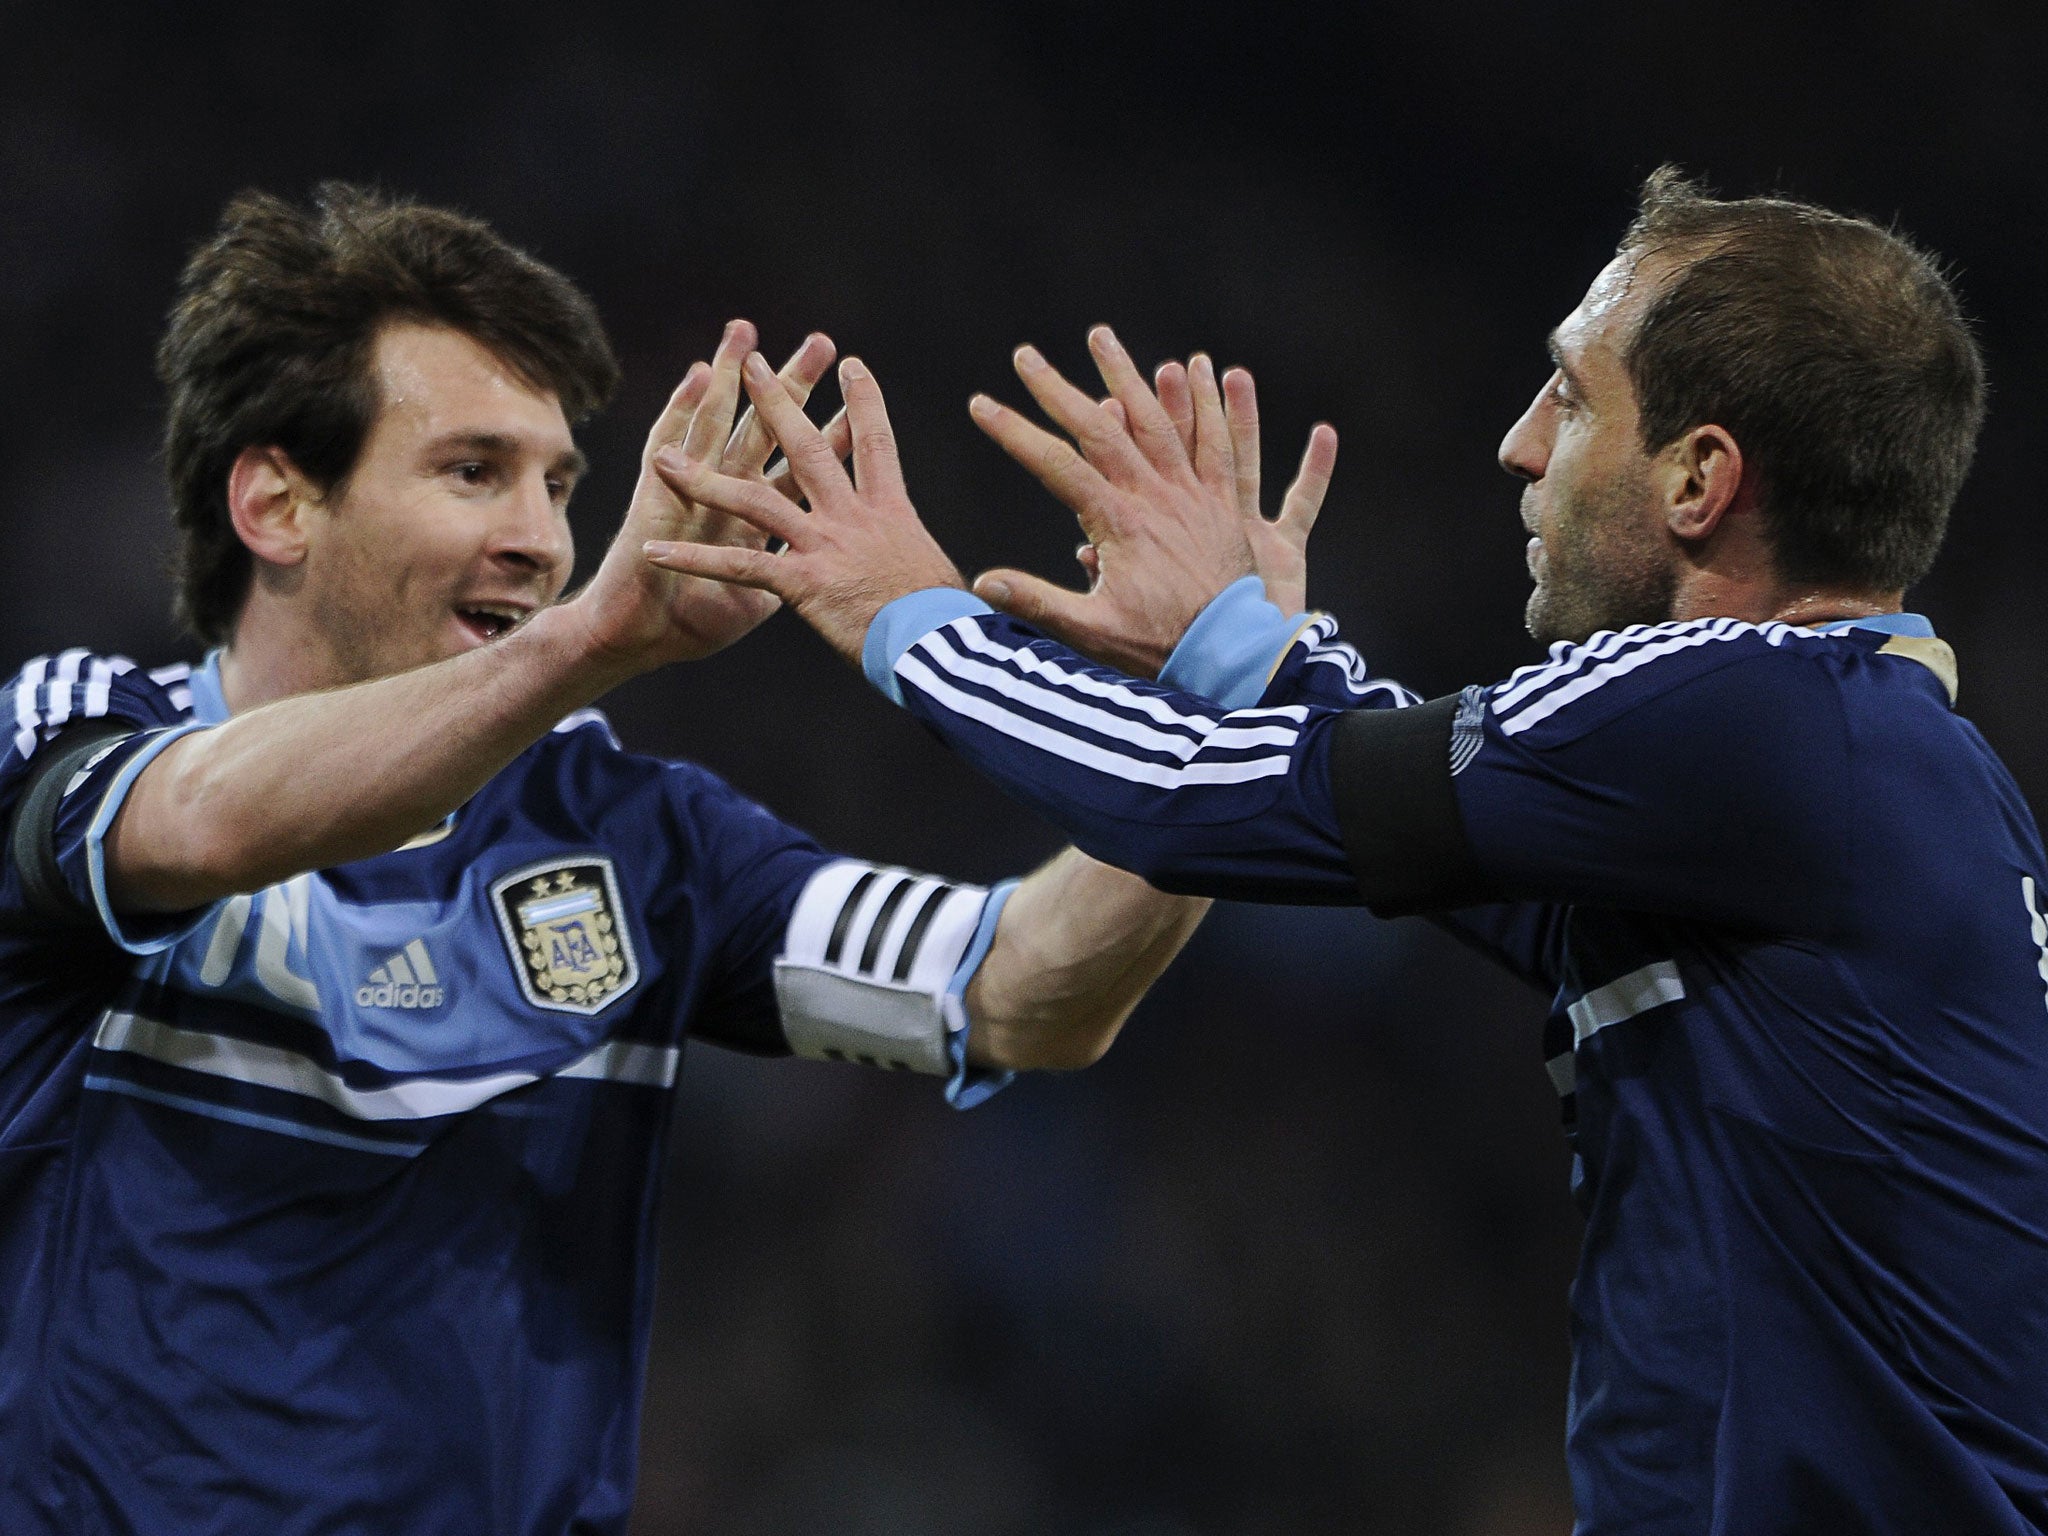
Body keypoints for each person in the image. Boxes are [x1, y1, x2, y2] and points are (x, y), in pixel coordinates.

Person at [647, 169, 2048, 1533]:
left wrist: (906, 612)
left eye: (1571, 396)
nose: (1519, 442)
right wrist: (1230, 641)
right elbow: (1463, 840)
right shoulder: (1855, 757)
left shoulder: (1745, 710)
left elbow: (1188, 794)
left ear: (1698, 478)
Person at [0, 183, 1328, 1534]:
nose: (542, 536)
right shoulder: (75, 732)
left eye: (560, 483)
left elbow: (1023, 993)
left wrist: (1212, 726)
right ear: (278, 505)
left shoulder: (631, 841)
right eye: (473, 471)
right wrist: (587, 639)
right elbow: (206, 824)